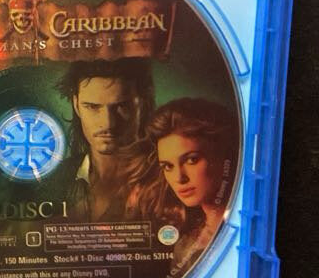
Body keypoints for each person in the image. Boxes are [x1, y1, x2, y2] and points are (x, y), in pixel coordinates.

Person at [128, 98, 237, 263]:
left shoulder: (251, 228)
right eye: (168, 166)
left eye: (192, 160)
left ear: (222, 155)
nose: (179, 178)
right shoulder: (184, 246)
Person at [57, 58, 154, 221]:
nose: (108, 123)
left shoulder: (167, 178)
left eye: (122, 106)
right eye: (93, 107)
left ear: (142, 105)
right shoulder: (54, 180)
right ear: (76, 105)